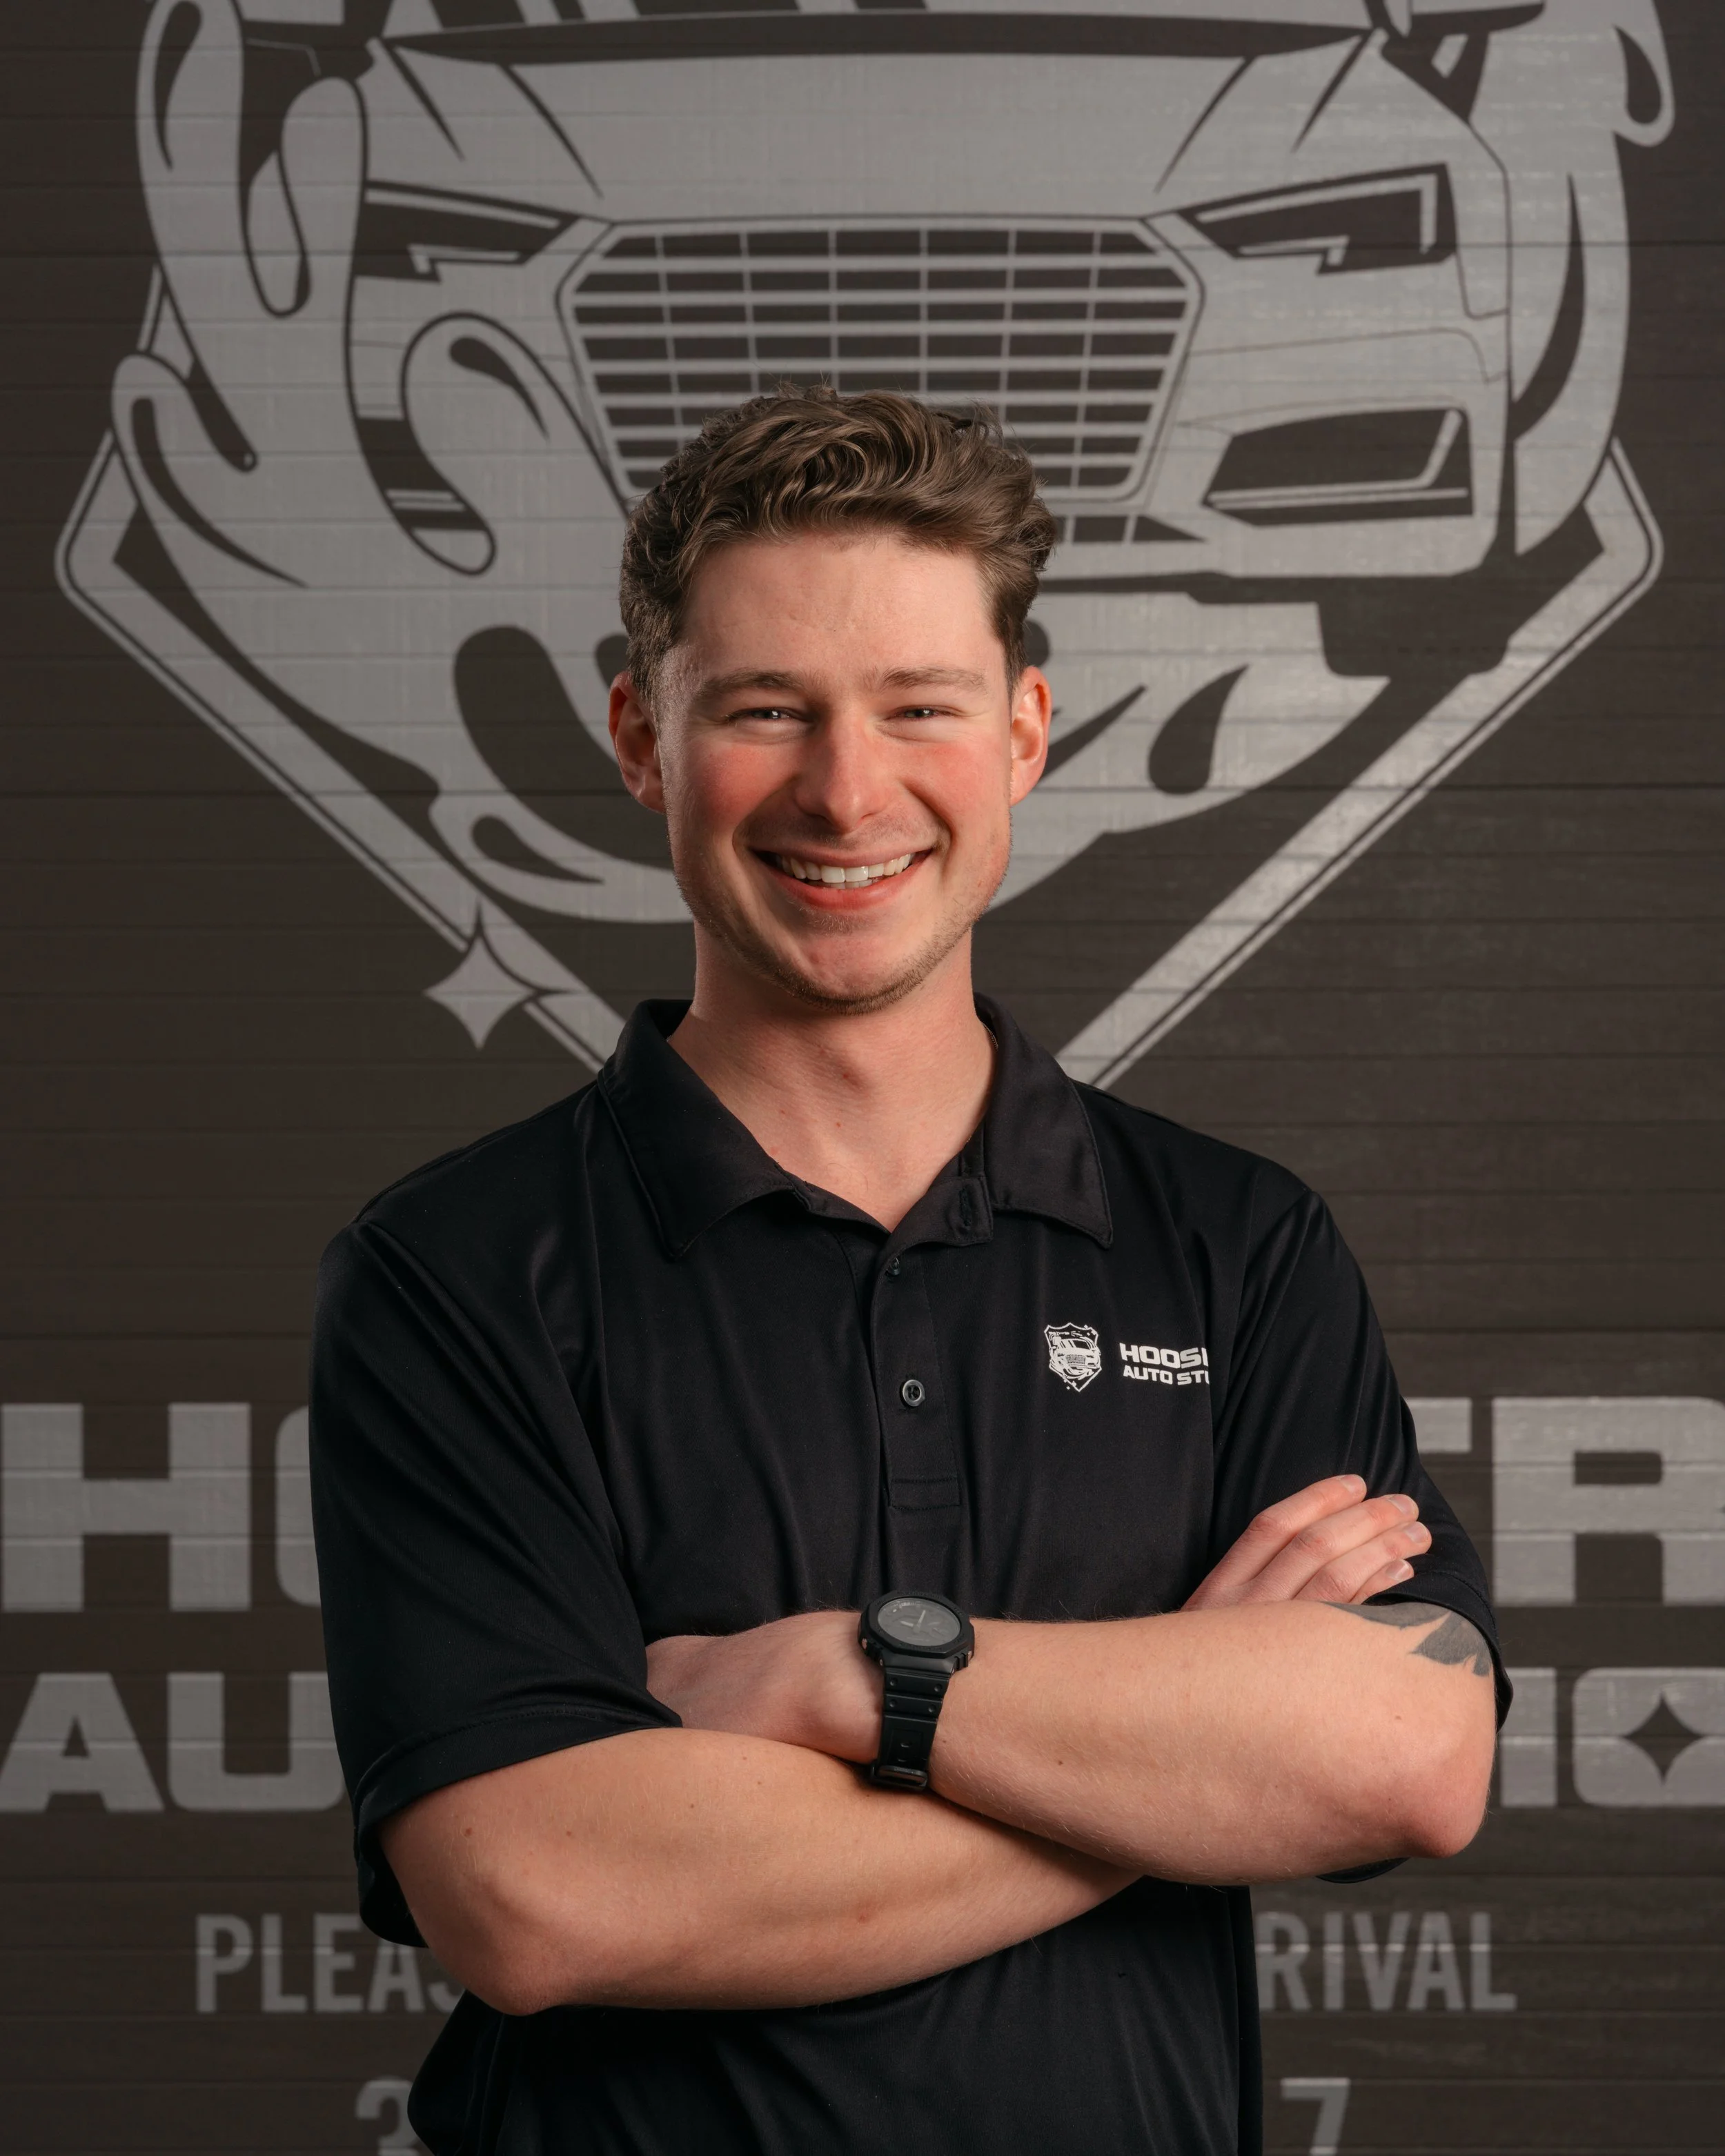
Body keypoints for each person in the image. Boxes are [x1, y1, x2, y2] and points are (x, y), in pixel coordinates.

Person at [310, 386, 1506, 2156]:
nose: (846, 789)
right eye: (765, 709)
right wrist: (1176, 1734)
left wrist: (858, 1676)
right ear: (643, 736)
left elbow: (1409, 1748)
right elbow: (535, 1893)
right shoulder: (455, 1273)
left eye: (917, 707)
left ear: (1022, 731)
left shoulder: (1232, 1244)